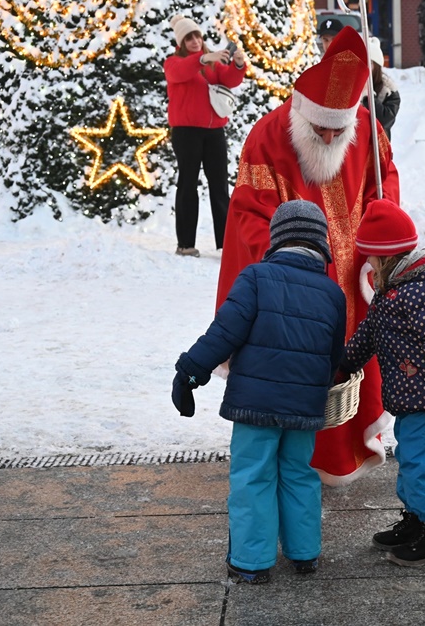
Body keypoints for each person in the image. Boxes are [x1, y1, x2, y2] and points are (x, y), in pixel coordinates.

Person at [217, 25, 400, 487]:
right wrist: (285, 265)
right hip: (292, 280)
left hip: (354, 277)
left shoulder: (369, 131)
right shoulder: (267, 136)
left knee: (350, 368)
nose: (328, 136)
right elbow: (249, 211)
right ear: (303, 113)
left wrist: (380, 237)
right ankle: (293, 466)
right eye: (320, 127)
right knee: (291, 373)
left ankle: (345, 454)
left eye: (338, 130)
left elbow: (386, 186)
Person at [171, 200, 347, 584]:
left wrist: (190, 372)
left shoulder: (255, 278)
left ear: (277, 241)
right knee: (299, 474)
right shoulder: (333, 294)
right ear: (321, 246)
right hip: (304, 410)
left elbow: (224, 333)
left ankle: (251, 562)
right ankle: (304, 554)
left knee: (254, 476)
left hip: (255, 406)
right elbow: (336, 356)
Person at [336, 198, 425, 566]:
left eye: (373, 259)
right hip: (411, 399)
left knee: (420, 467)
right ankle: (416, 522)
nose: (369, 266)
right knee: (409, 460)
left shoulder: (422, 291)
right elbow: (370, 333)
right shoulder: (393, 288)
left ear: (387, 257)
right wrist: (344, 364)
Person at [164, 14, 248, 257]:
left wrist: (238, 65)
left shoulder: (212, 63)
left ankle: (226, 244)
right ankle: (185, 244)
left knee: (220, 187)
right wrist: (203, 58)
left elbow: (229, 80)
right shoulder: (174, 62)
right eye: (189, 37)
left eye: (197, 35)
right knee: (188, 184)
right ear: (181, 42)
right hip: (186, 132)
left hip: (214, 132)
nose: (195, 40)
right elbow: (178, 73)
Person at [363, 36, 400, 140]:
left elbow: (385, 120)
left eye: (369, 63)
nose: (364, 67)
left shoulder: (389, 92)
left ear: (377, 65)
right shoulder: (351, 87)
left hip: (378, 147)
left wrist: (368, 96)